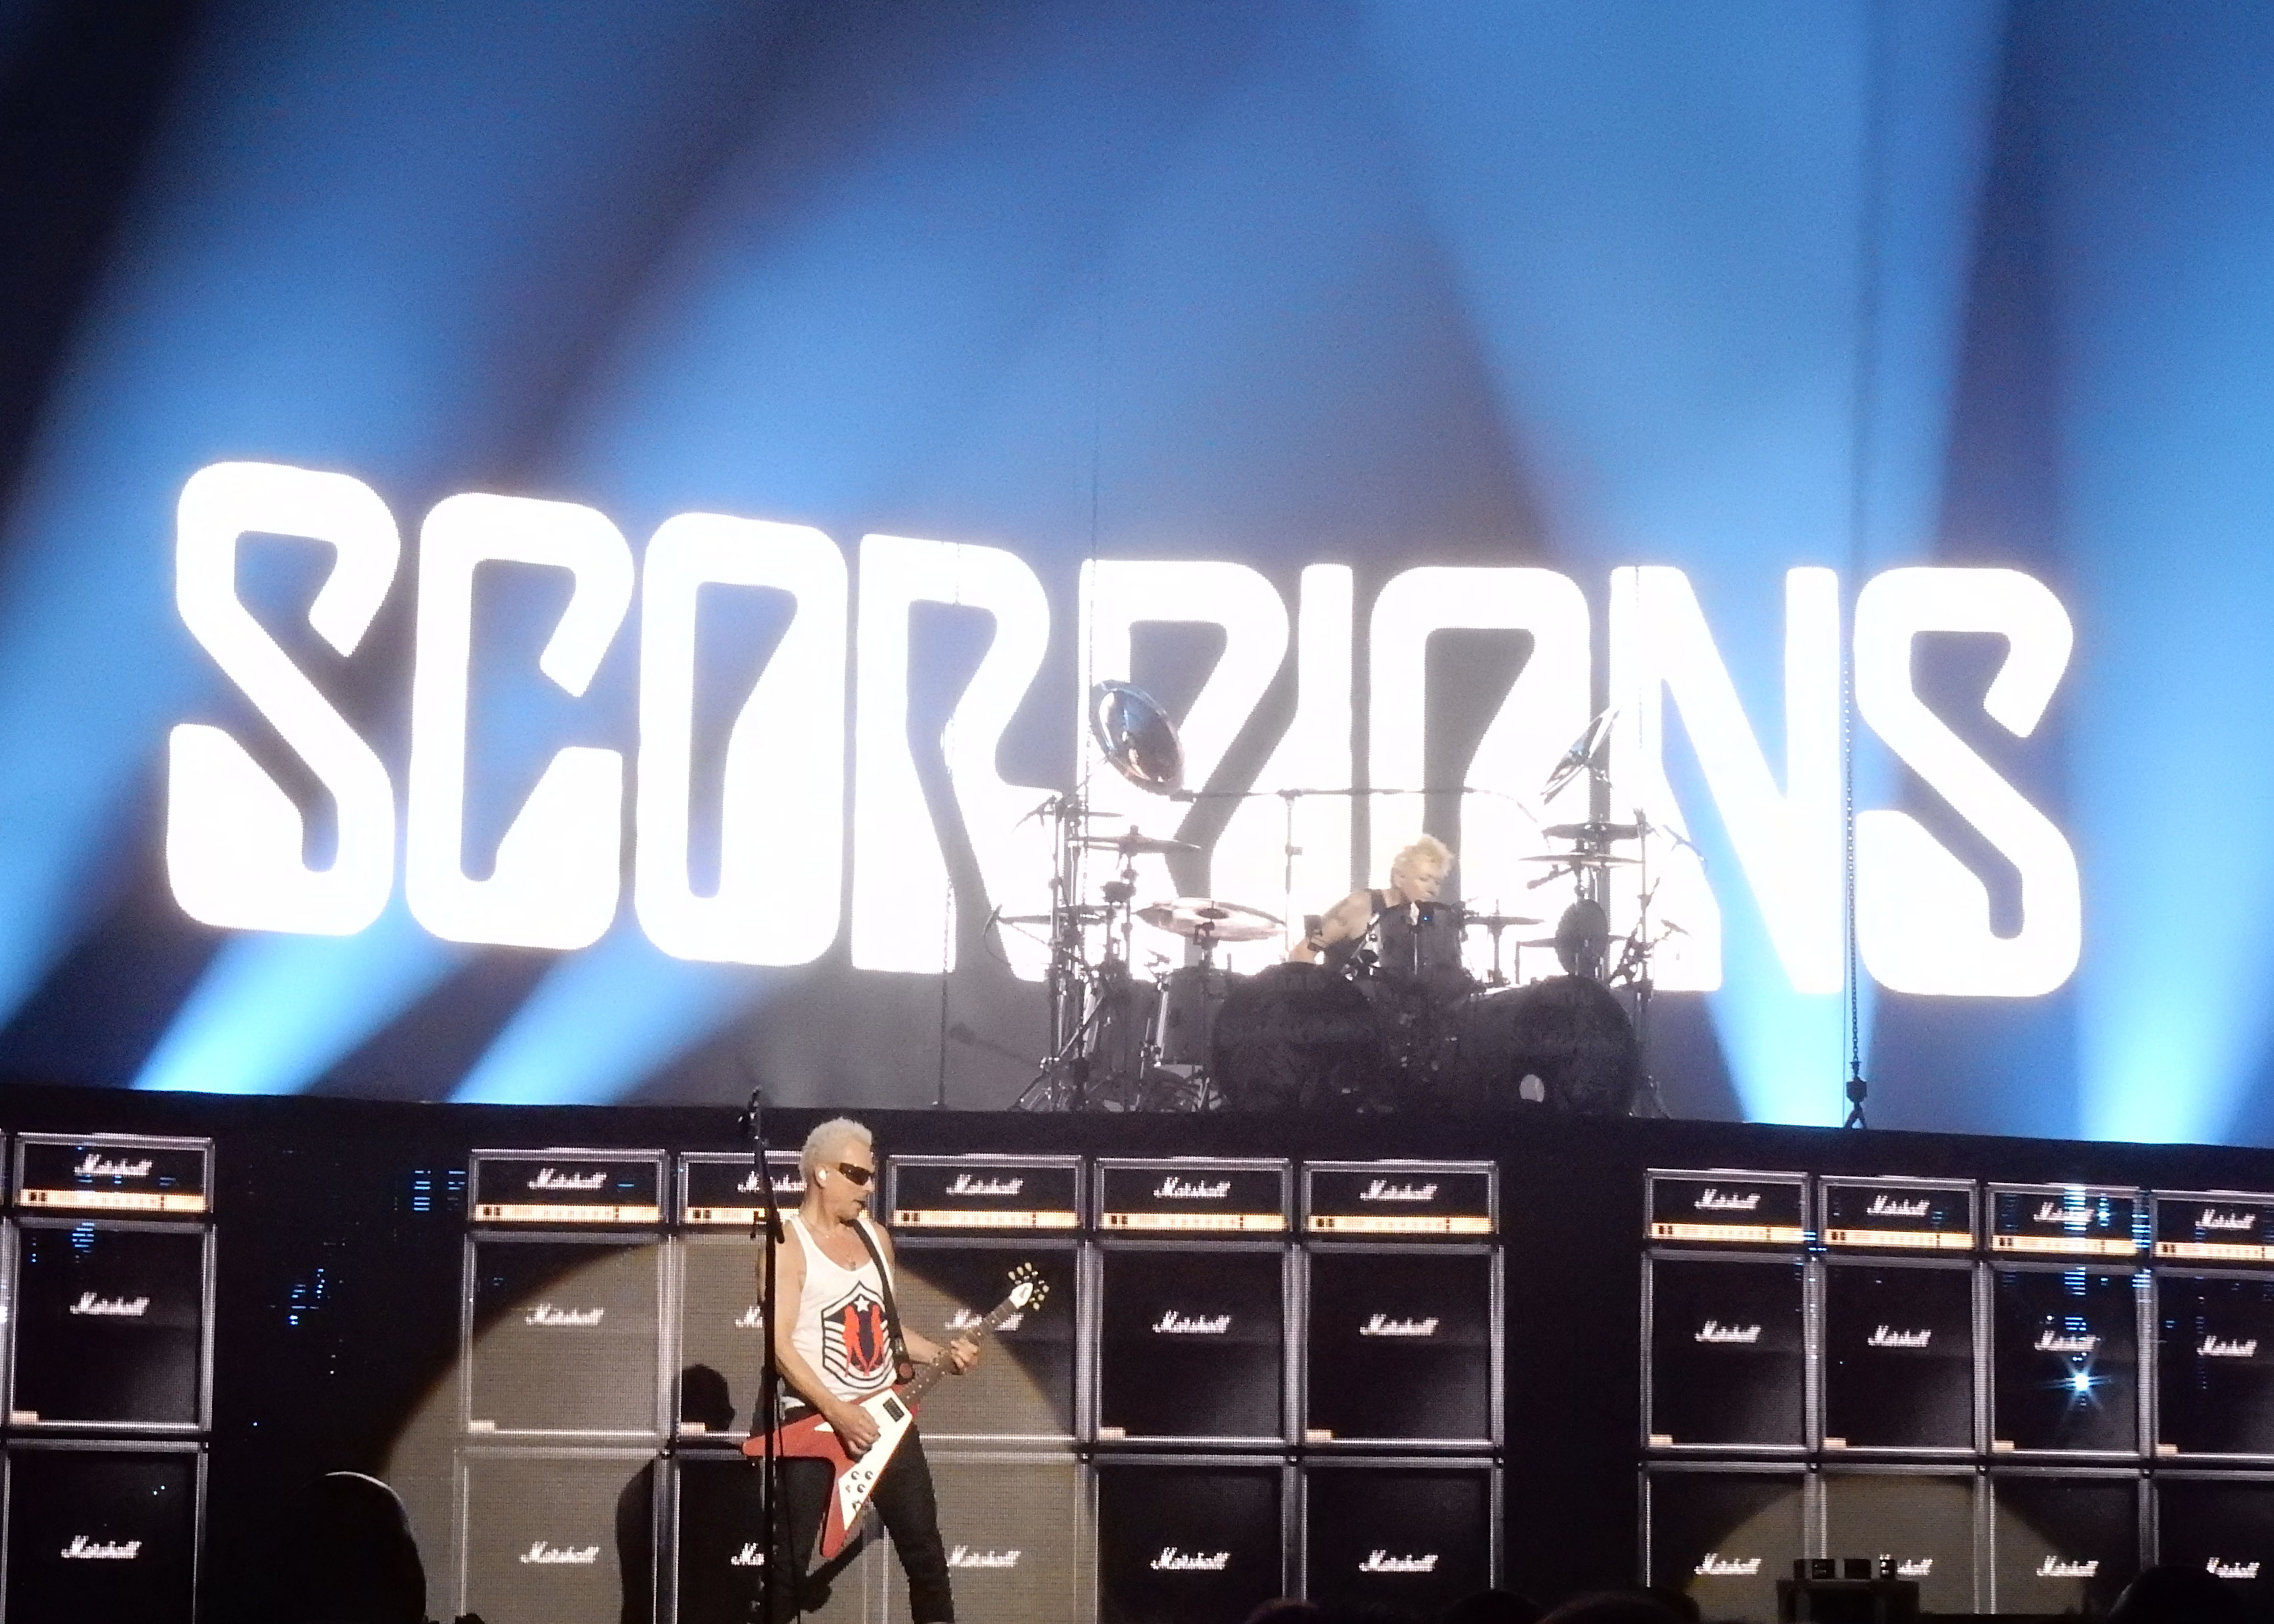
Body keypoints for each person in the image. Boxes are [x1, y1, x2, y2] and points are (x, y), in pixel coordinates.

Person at [764, 1118, 977, 1622]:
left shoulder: (877, 1238)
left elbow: (889, 1333)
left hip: (886, 1421)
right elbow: (779, 1346)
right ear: (822, 1173)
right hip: (813, 1425)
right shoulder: (787, 1245)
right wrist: (838, 1412)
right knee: (788, 1569)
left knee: (926, 1556)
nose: (869, 1187)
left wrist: (943, 1354)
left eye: (872, 1176)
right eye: (858, 1175)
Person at [1291, 834, 1457, 976]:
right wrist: (1321, 995)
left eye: (1437, 883)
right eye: (1424, 879)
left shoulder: (1424, 923)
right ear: (1399, 878)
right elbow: (1302, 952)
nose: (1432, 890)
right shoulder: (1360, 905)